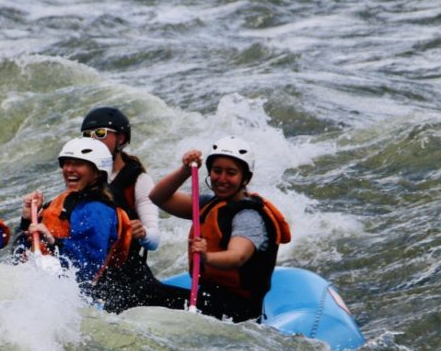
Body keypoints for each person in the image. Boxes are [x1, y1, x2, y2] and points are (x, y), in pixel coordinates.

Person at [148, 135, 292, 322]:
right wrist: (185, 170)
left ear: (245, 178)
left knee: (148, 295)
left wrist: (207, 257)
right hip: (210, 299)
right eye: (217, 171)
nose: (222, 179)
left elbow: (237, 256)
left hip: (238, 311)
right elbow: (158, 197)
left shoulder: (249, 216)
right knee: (146, 291)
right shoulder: (209, 204)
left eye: (231, 173)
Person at [18, 138, 132, 297]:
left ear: (97, 171)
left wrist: (52, 241)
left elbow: (87, 266)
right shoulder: (62, 200)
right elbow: (20, 251)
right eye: (66, 163)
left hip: (71, 298)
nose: (68, 169)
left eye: (78, 164)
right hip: (41, 286)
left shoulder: (98, 210)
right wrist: (27, 221)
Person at [80, 105, 164, 312]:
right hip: (91, 275)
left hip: (130, 276)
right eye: (87, 135)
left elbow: (154, 240)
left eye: (100, 133)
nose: (92, 139)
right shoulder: (80, 177)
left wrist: (143, 233)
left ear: (122, 139)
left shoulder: (139, 180)